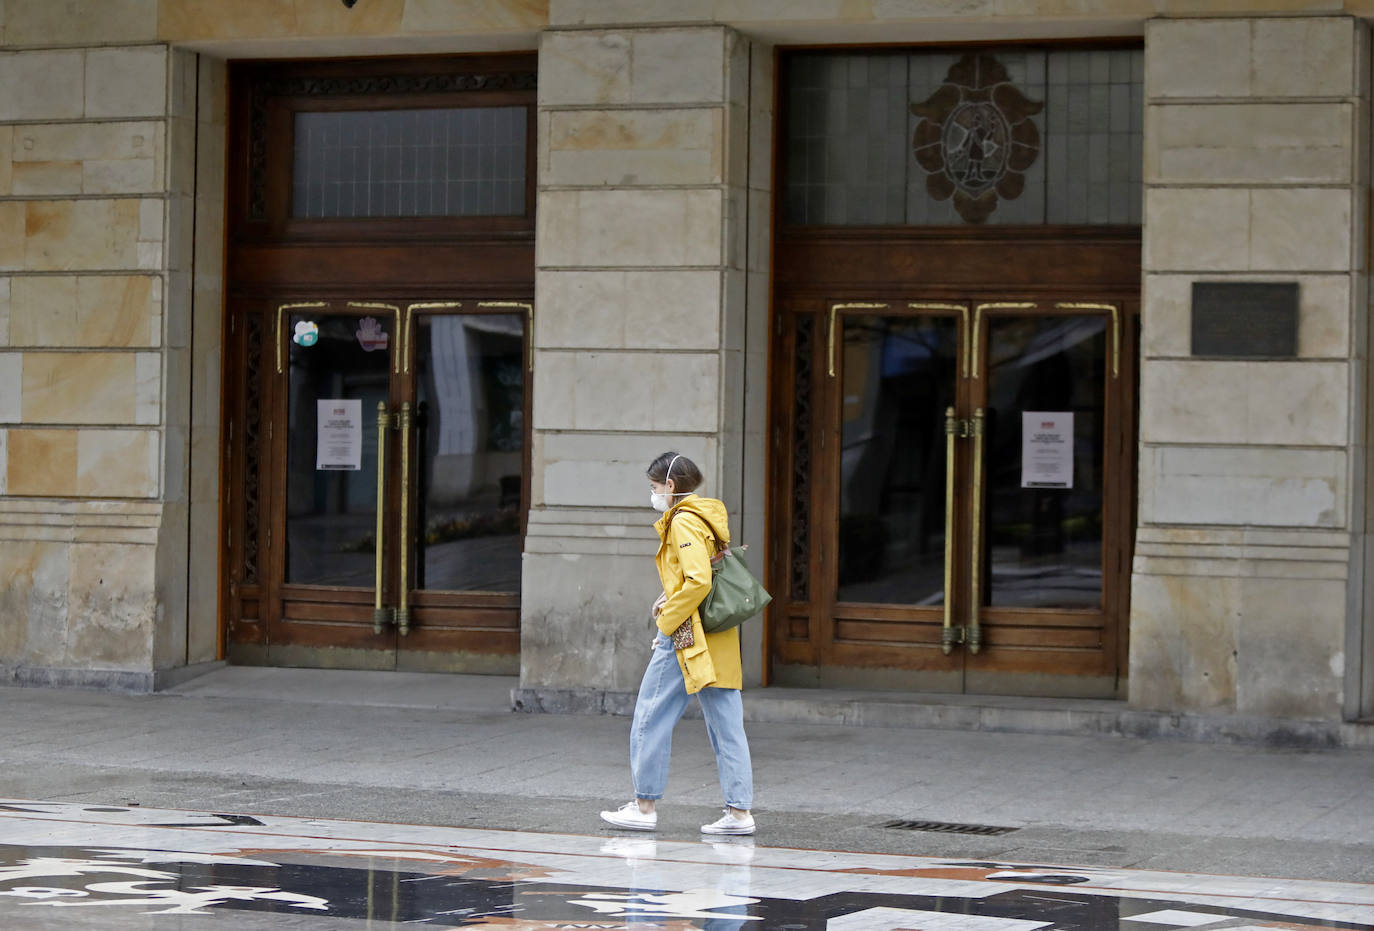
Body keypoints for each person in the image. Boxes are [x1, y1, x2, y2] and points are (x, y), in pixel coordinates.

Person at [600, 452, 756, 836]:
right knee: (727, 725)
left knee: (650, 717)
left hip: (686, 635)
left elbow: (698, 580)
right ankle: (739, 814)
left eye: (654, 488)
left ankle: (644, 806)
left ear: (670, 486)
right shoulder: (707, 515)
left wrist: (667, 621)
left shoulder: (683, 521)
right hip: (718, 632)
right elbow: (701, 575)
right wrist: (668, 594)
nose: (653, 495)